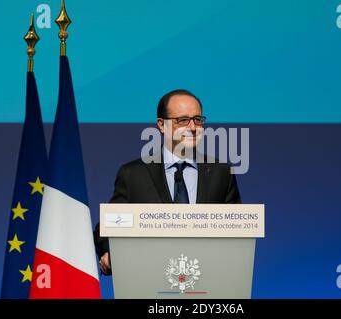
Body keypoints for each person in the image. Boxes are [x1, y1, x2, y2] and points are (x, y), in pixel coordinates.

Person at [93, 89, 241, 275]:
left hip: (207, 283)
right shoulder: (133, 174)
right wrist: (109, 253)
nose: (193, 127)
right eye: (183, 120)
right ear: (162, 125)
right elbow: (107, 226)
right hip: (149, 279)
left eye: (198, 119)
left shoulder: (221, 173)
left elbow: (237, 230)